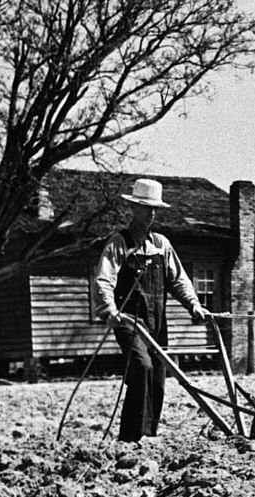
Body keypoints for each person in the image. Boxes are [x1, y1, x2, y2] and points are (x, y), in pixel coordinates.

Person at [94, 178, 211, 442]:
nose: (152, 213)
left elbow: (179, 280)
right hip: (128, 320)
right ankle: (129, 438)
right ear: (134, 208)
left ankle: (148, 435)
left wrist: (194, 305)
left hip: (157, 322)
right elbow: (104, 279)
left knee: (158, 377)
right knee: (142, 367)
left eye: (155, 209)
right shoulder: (118, 243)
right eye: (146, 208)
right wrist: (109, 310)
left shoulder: (161, 244)